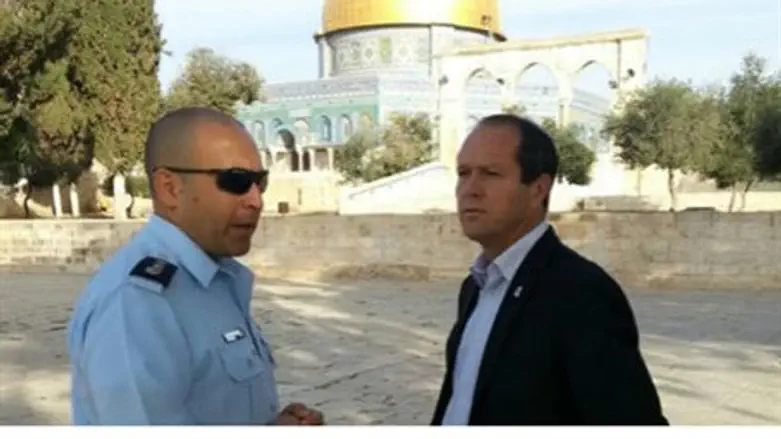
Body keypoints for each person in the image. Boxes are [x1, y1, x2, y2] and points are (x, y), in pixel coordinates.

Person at [66, 107, 323, 426]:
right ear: (170, 188)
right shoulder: (137, 304)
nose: (256, 201)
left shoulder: (216, 279)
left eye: (260, 182)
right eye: (236, 181)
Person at [430, 114, 668, 425]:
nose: (470, 189)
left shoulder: (582, 294)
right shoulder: (474, 287)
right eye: (464, 173)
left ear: (538, 189)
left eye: (490, 173)